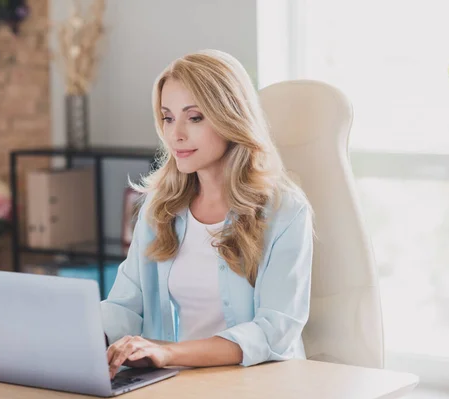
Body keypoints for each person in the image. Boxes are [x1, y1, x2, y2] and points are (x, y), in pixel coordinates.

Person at [102, 49, 314, 379]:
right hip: (175, 383)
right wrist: (82, 337)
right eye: (168, 118)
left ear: (231, 117)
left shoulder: (286, 212)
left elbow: (274, 330)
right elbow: (125, 304)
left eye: (195, 117)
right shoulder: (159, 207)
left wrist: (167, 352)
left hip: (258, 383)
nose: (176, 134)